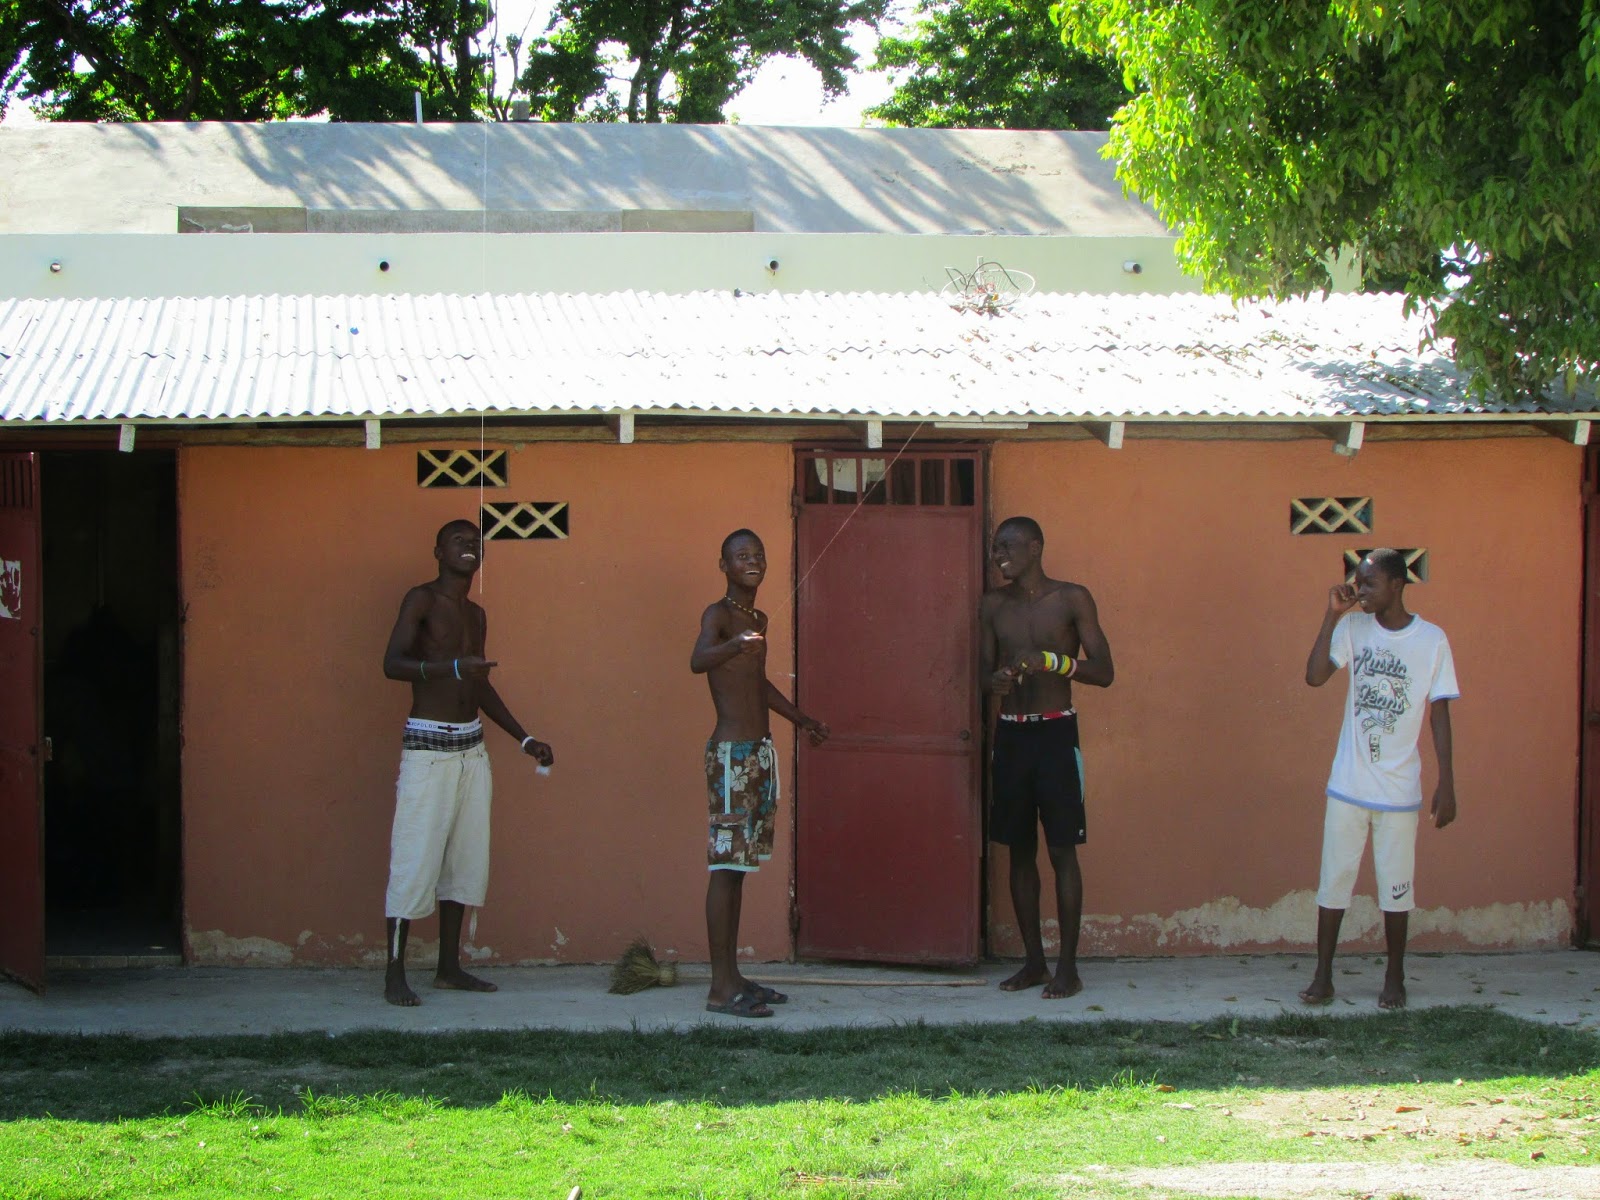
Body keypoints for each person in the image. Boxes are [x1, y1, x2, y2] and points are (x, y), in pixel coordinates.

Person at [379, 518, 554, 1006]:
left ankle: (449, 968)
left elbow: (478, 685)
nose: (470, 547)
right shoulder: (421, 599)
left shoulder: (476, 615)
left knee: (465, 859)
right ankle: (394, 973)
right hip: (428, 748)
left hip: (471, 749)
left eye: (476, 542)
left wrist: (525, 739)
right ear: (438, 551)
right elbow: (392, 664)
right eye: (459, 541)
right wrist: (452, 667)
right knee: (414, 858)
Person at [1300, 548, 1458, 1010]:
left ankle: (1395, 977)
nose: (1360, 590)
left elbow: (1440, 712)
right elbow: (1314, 677)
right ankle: (1323, 976)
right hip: (1348, 785)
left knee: (1396, 887)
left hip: (1399, 790)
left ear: (1396, 585)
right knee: (1334, 880)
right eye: (1358, 582)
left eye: (1369, 583)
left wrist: (1447, 781)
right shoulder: (1353, 628)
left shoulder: (1431, 640)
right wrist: (1332, 616)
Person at [690, 529, 829, 1018]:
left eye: (758, 555)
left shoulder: (757, 619)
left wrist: (802, 719)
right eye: (741, 556)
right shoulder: (719, 615)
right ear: (724, 565)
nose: (752, 562)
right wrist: (734, 645)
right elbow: (697, 661)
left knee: (740, 869)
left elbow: (757, 683)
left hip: (758, 755)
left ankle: (733, 977)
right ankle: (719, 989)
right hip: (731, 757)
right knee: (725, 868)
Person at [979, 516, 1114, 999]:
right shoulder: (993, 605)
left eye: (1007, 546)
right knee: (1019, 851)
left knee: (1061, 850)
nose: (998, 556)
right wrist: (994, 682)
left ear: (1035, 547)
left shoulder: (1072, 598)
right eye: (995, 548)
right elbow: (982, 674)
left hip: (1057, 732)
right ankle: (1034, 963)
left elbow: (1104, 671)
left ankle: (1068, 968)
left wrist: (1053, 662)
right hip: (1012, 735)